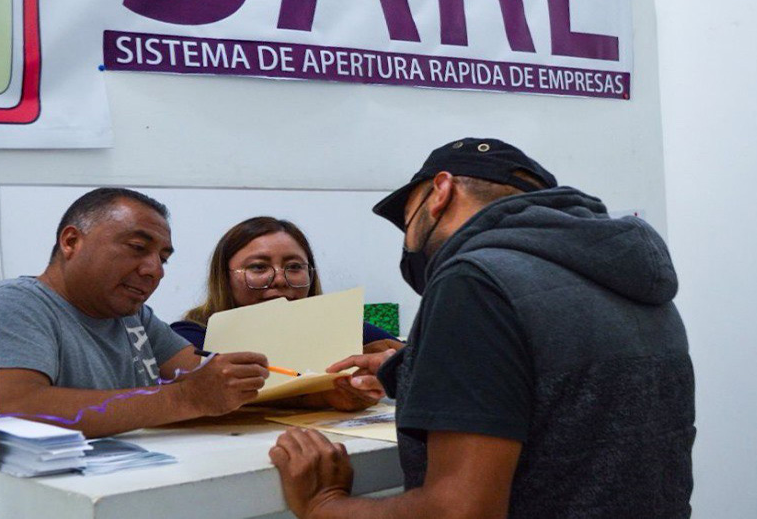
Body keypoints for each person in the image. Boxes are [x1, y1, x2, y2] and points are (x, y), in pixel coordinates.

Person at [269, 138, 695, 518]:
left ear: (440, 192)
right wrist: (414, 367)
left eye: (408, 219)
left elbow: (460, 511)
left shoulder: (474, 279)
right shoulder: (631, 277)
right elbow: (572, 393)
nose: (408, 243)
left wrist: (324, 504)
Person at [0, 187, 271, 438]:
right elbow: (15, 407)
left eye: (163, 259)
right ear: (71, 242)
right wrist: (183, 399)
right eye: (138, 248)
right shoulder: (17, 303)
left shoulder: (133, 316)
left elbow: (204, 378)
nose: (155, 270)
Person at [171, 216, 399, 352]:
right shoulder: (193, 336)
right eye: (258, 267)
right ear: (224, 277)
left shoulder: (343, 329)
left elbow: (415, 361)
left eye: (294, 267)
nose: (280, 279)